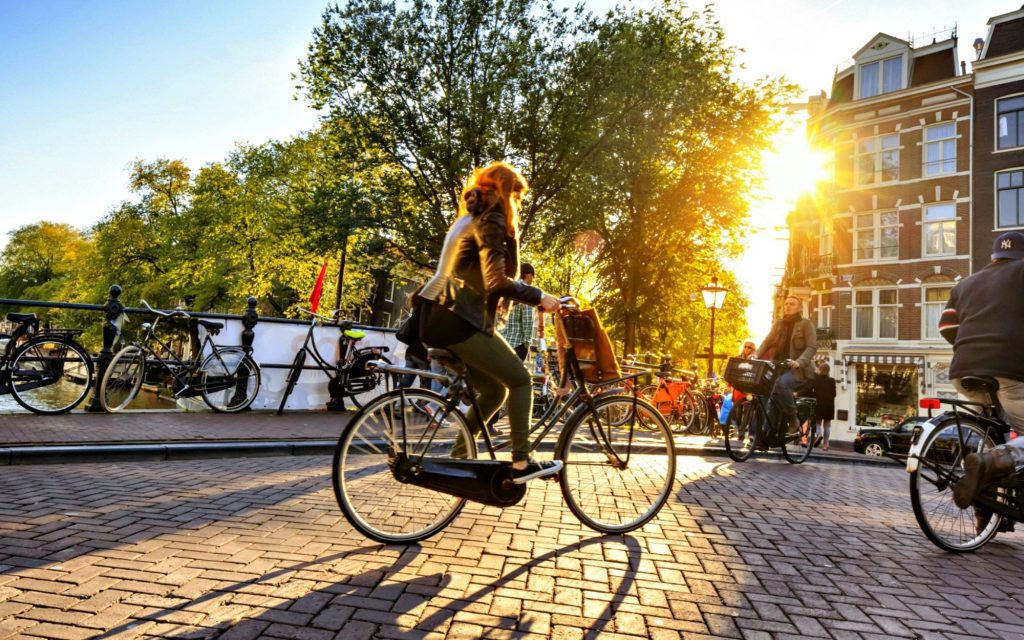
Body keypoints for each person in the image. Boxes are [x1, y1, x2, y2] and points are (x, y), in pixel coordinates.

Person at [417, 161, 562, 484]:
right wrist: (539, 296)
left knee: (495, 391)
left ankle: (459, 460)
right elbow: (496, 280)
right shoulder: (492, 219)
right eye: (517, 197)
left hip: (435, 317)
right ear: (507, 192)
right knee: (521, 380)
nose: (518, 204)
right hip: (457, 318)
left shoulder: (470, 216)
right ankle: (522, 461)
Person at [939, 231, 1024, 513]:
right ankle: (988, 462)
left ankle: (989, 512)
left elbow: (946, 327)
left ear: (993, 256)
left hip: (963, 370)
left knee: (992, 432)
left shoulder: (965, 283)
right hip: (1008, 368)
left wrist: (968, 345)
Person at [756, 295, 817, 440]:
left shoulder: (805, 324)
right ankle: (767, 436)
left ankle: (793, 419)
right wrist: (756, 355)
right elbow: (767, 341)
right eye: (786, 304)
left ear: (800, 308)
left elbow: (812, 346)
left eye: (792, 304)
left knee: (782, 384)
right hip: (779, 367)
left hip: (798, 370)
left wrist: (800, 361)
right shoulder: (779, 324)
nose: (788, 306)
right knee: (770, 398)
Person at [811, 363, 836, 451]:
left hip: (819, 403)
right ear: (828, 370)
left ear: (820, 369)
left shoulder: (816, 379)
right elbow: (834, 394)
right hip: (829, 405)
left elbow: (812, 390)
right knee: (827, 425)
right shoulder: (832, 381)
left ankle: (819, 434)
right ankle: (825, 444)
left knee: (817, 422)